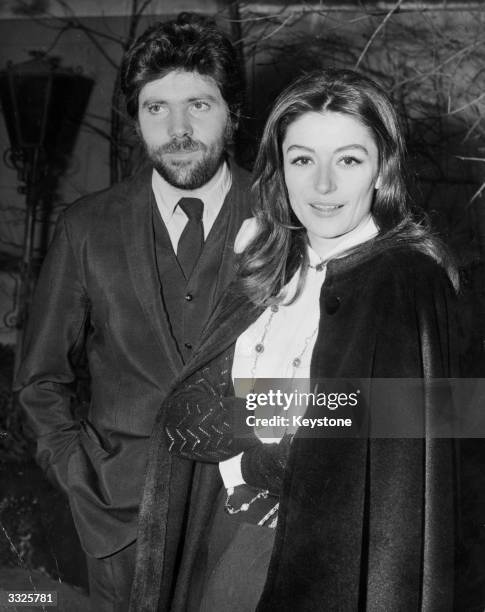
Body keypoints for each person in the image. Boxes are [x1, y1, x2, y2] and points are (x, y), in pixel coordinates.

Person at [129, 68, 485, 611]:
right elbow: (179, 416)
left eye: (348, 160)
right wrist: (293, 411)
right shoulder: (267, 265)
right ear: (279, 169)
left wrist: (249, 457)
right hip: (226, 540)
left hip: (331, 564)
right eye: (302, 159)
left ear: (381, 170)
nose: (323, 186)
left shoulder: (406, 280)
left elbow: (412, 433)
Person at [14, 12, 253, 612]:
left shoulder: (285, 216)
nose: (178, 129)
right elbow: (39, 380)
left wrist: (281, 462)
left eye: (199, 105)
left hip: (248, 521)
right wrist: (79, 475)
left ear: (232, 112)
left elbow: (321, 372)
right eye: (156, 108)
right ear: (136, 120)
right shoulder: (86, 227)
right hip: (118, 520)